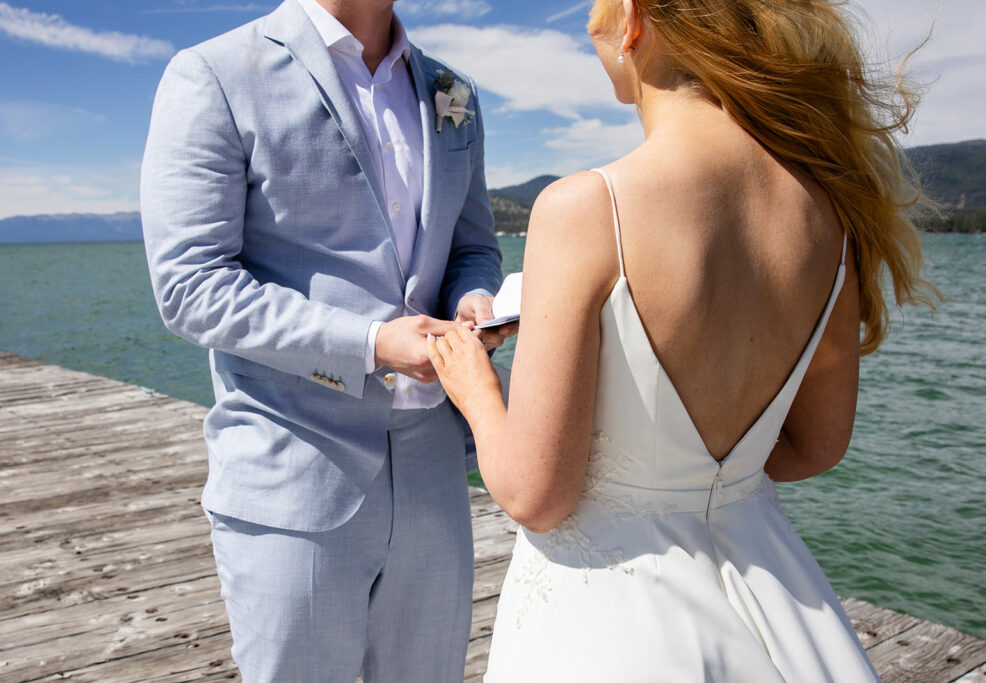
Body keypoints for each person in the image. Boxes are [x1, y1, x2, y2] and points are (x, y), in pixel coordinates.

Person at [429, 0, 938, 680]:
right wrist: (704, 475)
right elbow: (816, 444)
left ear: (635, 20)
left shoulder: (584, 207)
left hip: (613, 620)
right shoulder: (827, 214)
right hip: (771, 599)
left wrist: (475, 385)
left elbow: (536, 493)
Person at [140, 0, 509, 680]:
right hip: (294, 475)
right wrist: (371, 342)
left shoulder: (454, 93)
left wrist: (473, 299)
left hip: (434, 477)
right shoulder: (213, 75)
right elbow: (190, 286)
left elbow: (473, 246)